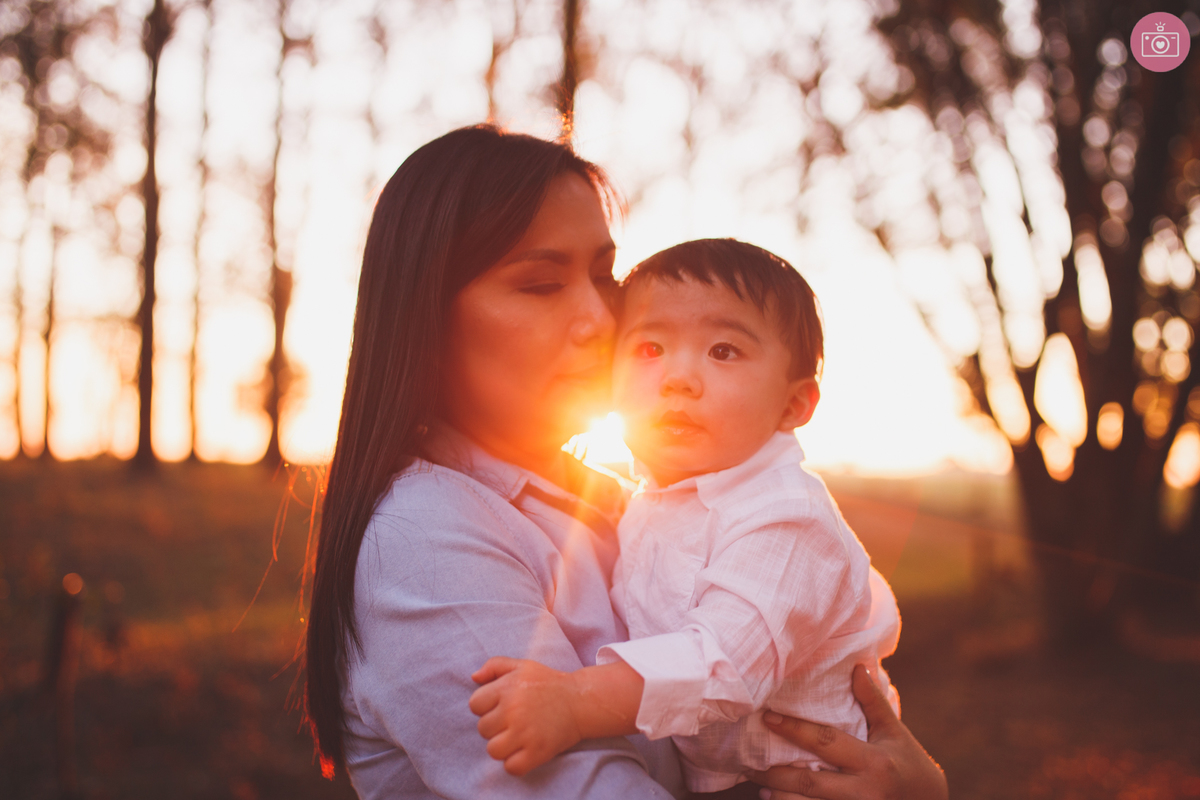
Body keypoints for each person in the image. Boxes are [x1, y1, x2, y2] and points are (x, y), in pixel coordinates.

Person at [303, 124, 948, 800]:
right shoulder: (425, 537)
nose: (599, 317)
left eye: (604, 276)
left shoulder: (629, 501)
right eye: (543, 284)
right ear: (427, 317)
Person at [468, 239, 901, 796]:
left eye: (723, 351)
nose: (678, 378)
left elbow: (720, 664)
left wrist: (577, 701)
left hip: (807, 781)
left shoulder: (788, 520)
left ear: (794, 404)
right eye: (650, 349)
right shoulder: (654, 498)